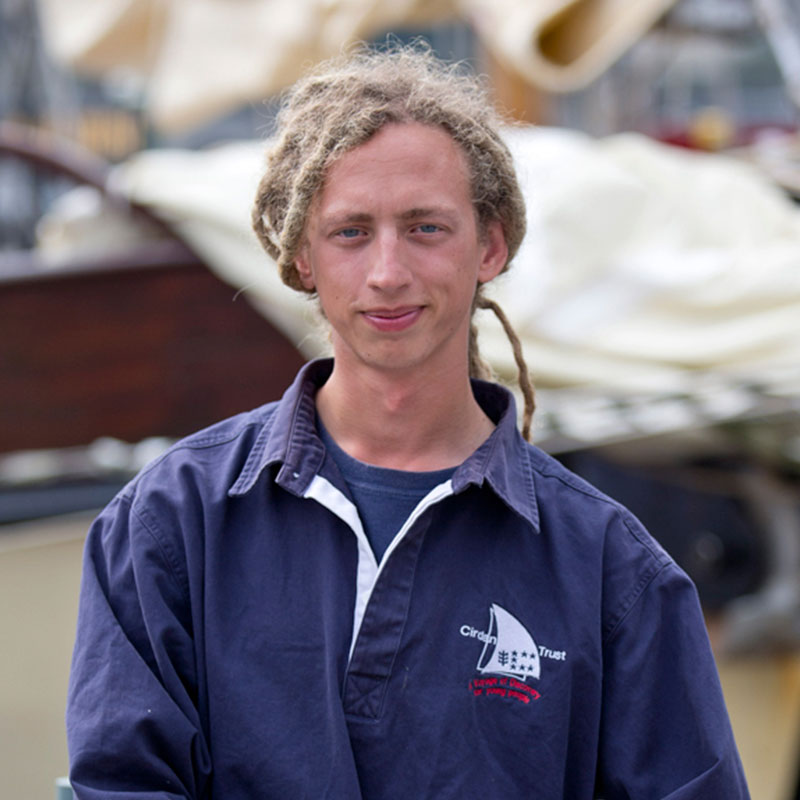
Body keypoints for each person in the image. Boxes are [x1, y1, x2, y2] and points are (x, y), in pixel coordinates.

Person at [66, 44, 750, 799]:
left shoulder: (611, 573)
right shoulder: (171, 524)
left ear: (490, 246)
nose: (388, 272)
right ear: (302, 256)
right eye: (351, 232)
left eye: (425, 228)